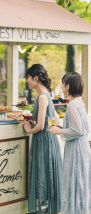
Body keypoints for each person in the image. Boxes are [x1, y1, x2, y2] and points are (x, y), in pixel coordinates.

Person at [48, 72, 91, 214]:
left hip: (76, 148)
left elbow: (77, 130)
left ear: (68, 86)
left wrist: (60, 132)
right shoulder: (80, 102)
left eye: (62, 84)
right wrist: (62, 128)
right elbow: (80, 128)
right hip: (82, 146)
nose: (61, 87)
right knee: (80, 182)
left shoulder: (71, 105)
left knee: (74, 181)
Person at [23, 64, 62, 214]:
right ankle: (53, 210)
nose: (27, 80)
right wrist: (44, 124)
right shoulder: (47, 95)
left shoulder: (42, 97)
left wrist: (29, 129)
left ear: (36, 78)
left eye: (28, 77)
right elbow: (56, 120)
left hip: (44, 142)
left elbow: (39, 126)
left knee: (44, 175)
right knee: (48, 176)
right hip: (49, 141)